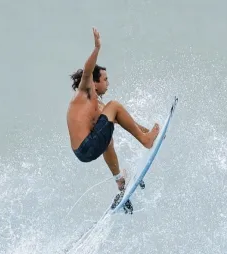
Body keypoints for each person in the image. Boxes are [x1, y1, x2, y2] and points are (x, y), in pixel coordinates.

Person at [67, 27, 159, 213]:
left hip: (82, 153)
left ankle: (119, 180)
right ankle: (145, 141)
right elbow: (87, 71)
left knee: (107, 139)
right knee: (115, 104)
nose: (108, 83)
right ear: (94, 83)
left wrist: (149, 130)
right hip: (86, 146)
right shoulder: (84, 92)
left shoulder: (98, 107)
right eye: (105, 79)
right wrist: (97, 48)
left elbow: (125, 122)